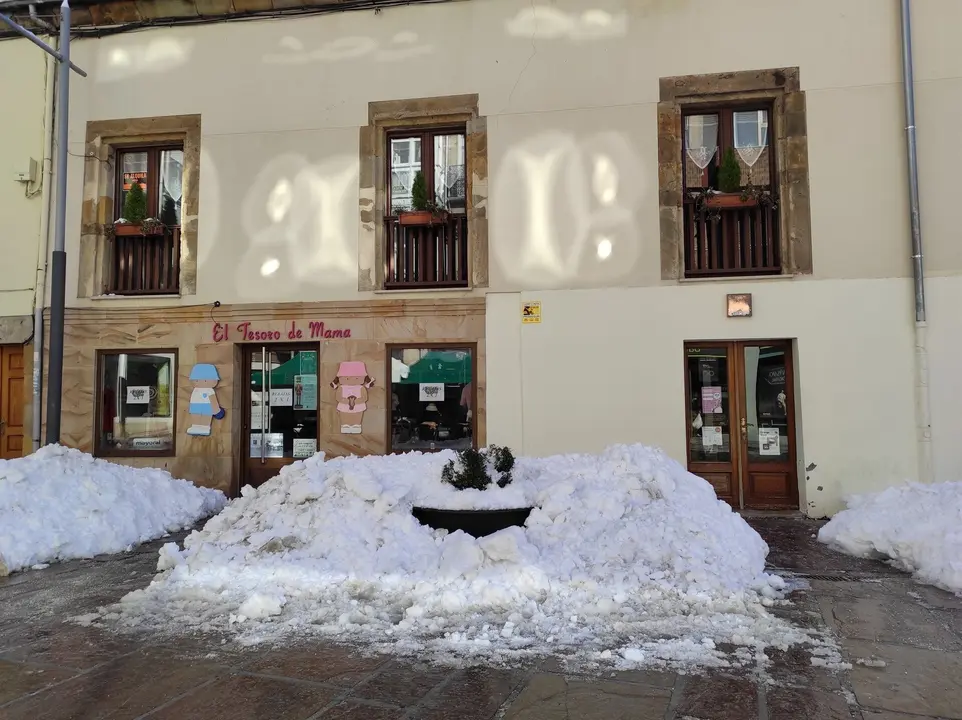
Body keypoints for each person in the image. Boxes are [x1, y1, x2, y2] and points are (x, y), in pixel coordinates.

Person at [331, 361, 374, 434]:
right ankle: (345, 425)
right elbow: (338, 397)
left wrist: (355, 402)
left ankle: (356, 425)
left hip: (358, 406)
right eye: (347, 378)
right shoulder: (341, 388)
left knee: (357, 415)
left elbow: (364, 398)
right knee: (344, 415)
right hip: (344, 406)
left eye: (356, 378)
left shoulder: (361, 388)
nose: (352, 380)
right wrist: (347, 401)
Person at [187, 363, 225, 437]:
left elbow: (213, 400)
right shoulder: (196, 390)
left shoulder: (209, 390)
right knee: (195, 415)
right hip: (195, 406)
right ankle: (195, 426)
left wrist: (216, 410)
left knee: (206, 416)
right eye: (196, 380)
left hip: (206, 407)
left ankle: (205, 427)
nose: (200, 382)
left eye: (205, 380)